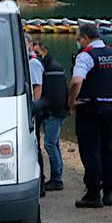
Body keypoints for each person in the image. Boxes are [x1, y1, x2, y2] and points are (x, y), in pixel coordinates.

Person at [67, 22, 112, 208]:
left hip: (89, 108)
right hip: (110, 109)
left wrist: (71, 102)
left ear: (87, 38)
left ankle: (93, 192)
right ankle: (109, 192)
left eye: (78, 38)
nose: (78, 42)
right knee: (108, 150)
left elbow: (76, 81)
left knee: (90, 151)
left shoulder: (85, 56)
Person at [31, 40, 67, 191]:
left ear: (44, 51)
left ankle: (56, 178)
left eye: (37, 53)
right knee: (55, 143)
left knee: (50, 144)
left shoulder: (49, 69)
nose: (36, 56)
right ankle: (57, 174)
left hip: (53, 112)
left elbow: (47, 92)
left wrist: (38, 108)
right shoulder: (55, 66)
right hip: (58, 111)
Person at [27, 35, 47, 198]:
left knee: (36, 146)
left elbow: (37, 88)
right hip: (30, 109)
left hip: (33, 110)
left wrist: (34, 109)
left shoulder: (33, 62)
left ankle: (40, 183)